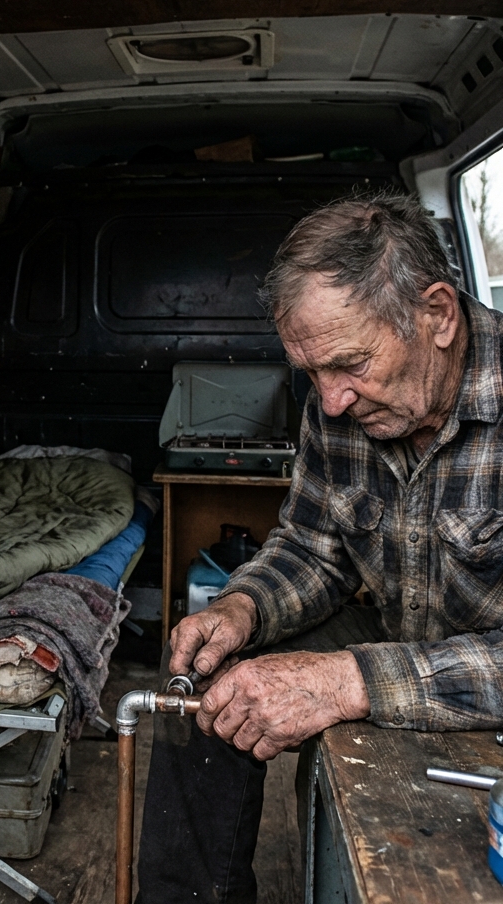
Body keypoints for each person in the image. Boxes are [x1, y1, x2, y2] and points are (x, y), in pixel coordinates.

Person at [138, 189, 503, 903]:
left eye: (351, 364)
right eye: (313, 373)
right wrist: (244, 605)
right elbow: (312, 545)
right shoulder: (337, 407)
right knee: (209, 674)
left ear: (437, 316)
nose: (331, 401)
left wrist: (345, 681)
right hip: (396, 634)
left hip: (482, 672)